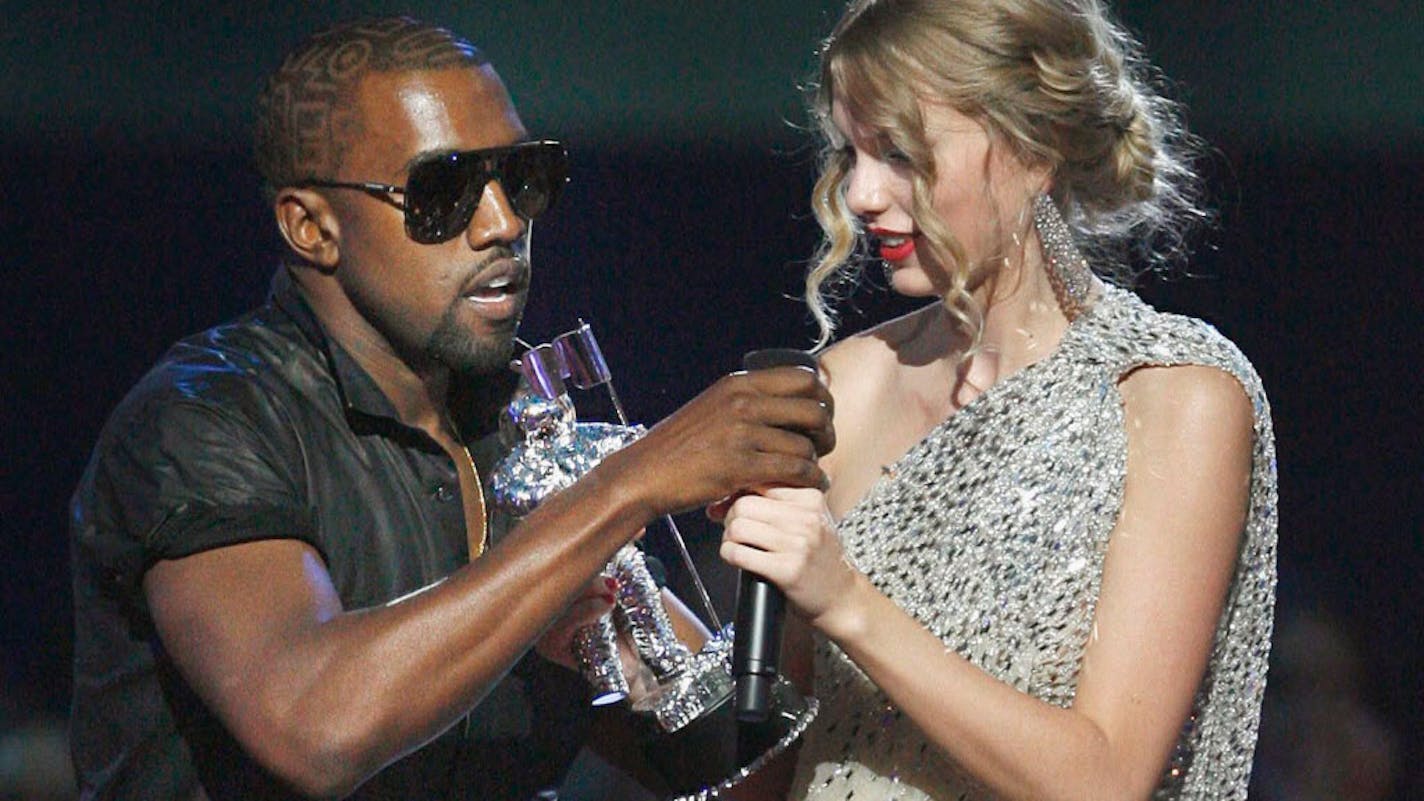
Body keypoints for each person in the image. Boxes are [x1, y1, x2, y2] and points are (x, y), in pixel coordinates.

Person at [68, 16, 833, 801]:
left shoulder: (524, 437)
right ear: (310, 225)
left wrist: (801, 588)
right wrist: (629, 485)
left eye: (523, 177)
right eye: (443, 190)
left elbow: (747, 778)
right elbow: (313, 727)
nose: (504, 223)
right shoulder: (207, 418)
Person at [717, 1, 1277, 799]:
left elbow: (1107, 779)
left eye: (901, 153)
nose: (863, 194)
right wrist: (628, 634)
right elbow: (780, 739)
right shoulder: (847, 383)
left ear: (1035, 147)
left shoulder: (1173, 396)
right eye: (852, 152)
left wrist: (844, 598)